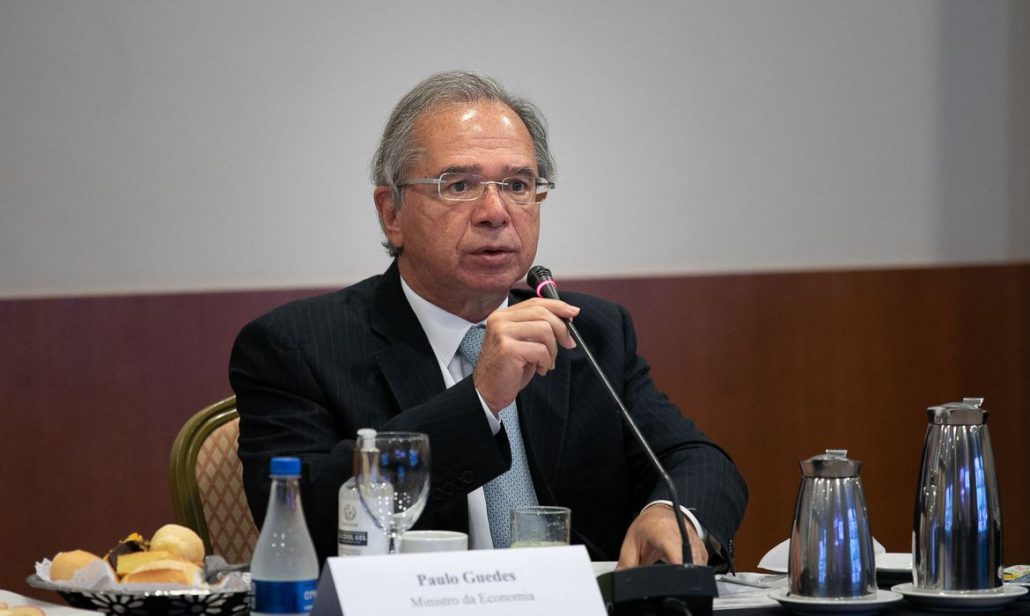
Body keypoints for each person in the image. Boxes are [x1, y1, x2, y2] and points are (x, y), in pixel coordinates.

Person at [230, 71, 747, 570]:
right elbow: (297, 518)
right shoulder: (296, 346)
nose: (495, 212)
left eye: (518, 184)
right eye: (459, 185)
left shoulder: (588, 333)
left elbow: (698, 461)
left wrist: (673, 513)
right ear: (392, 213)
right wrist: (479, 401)